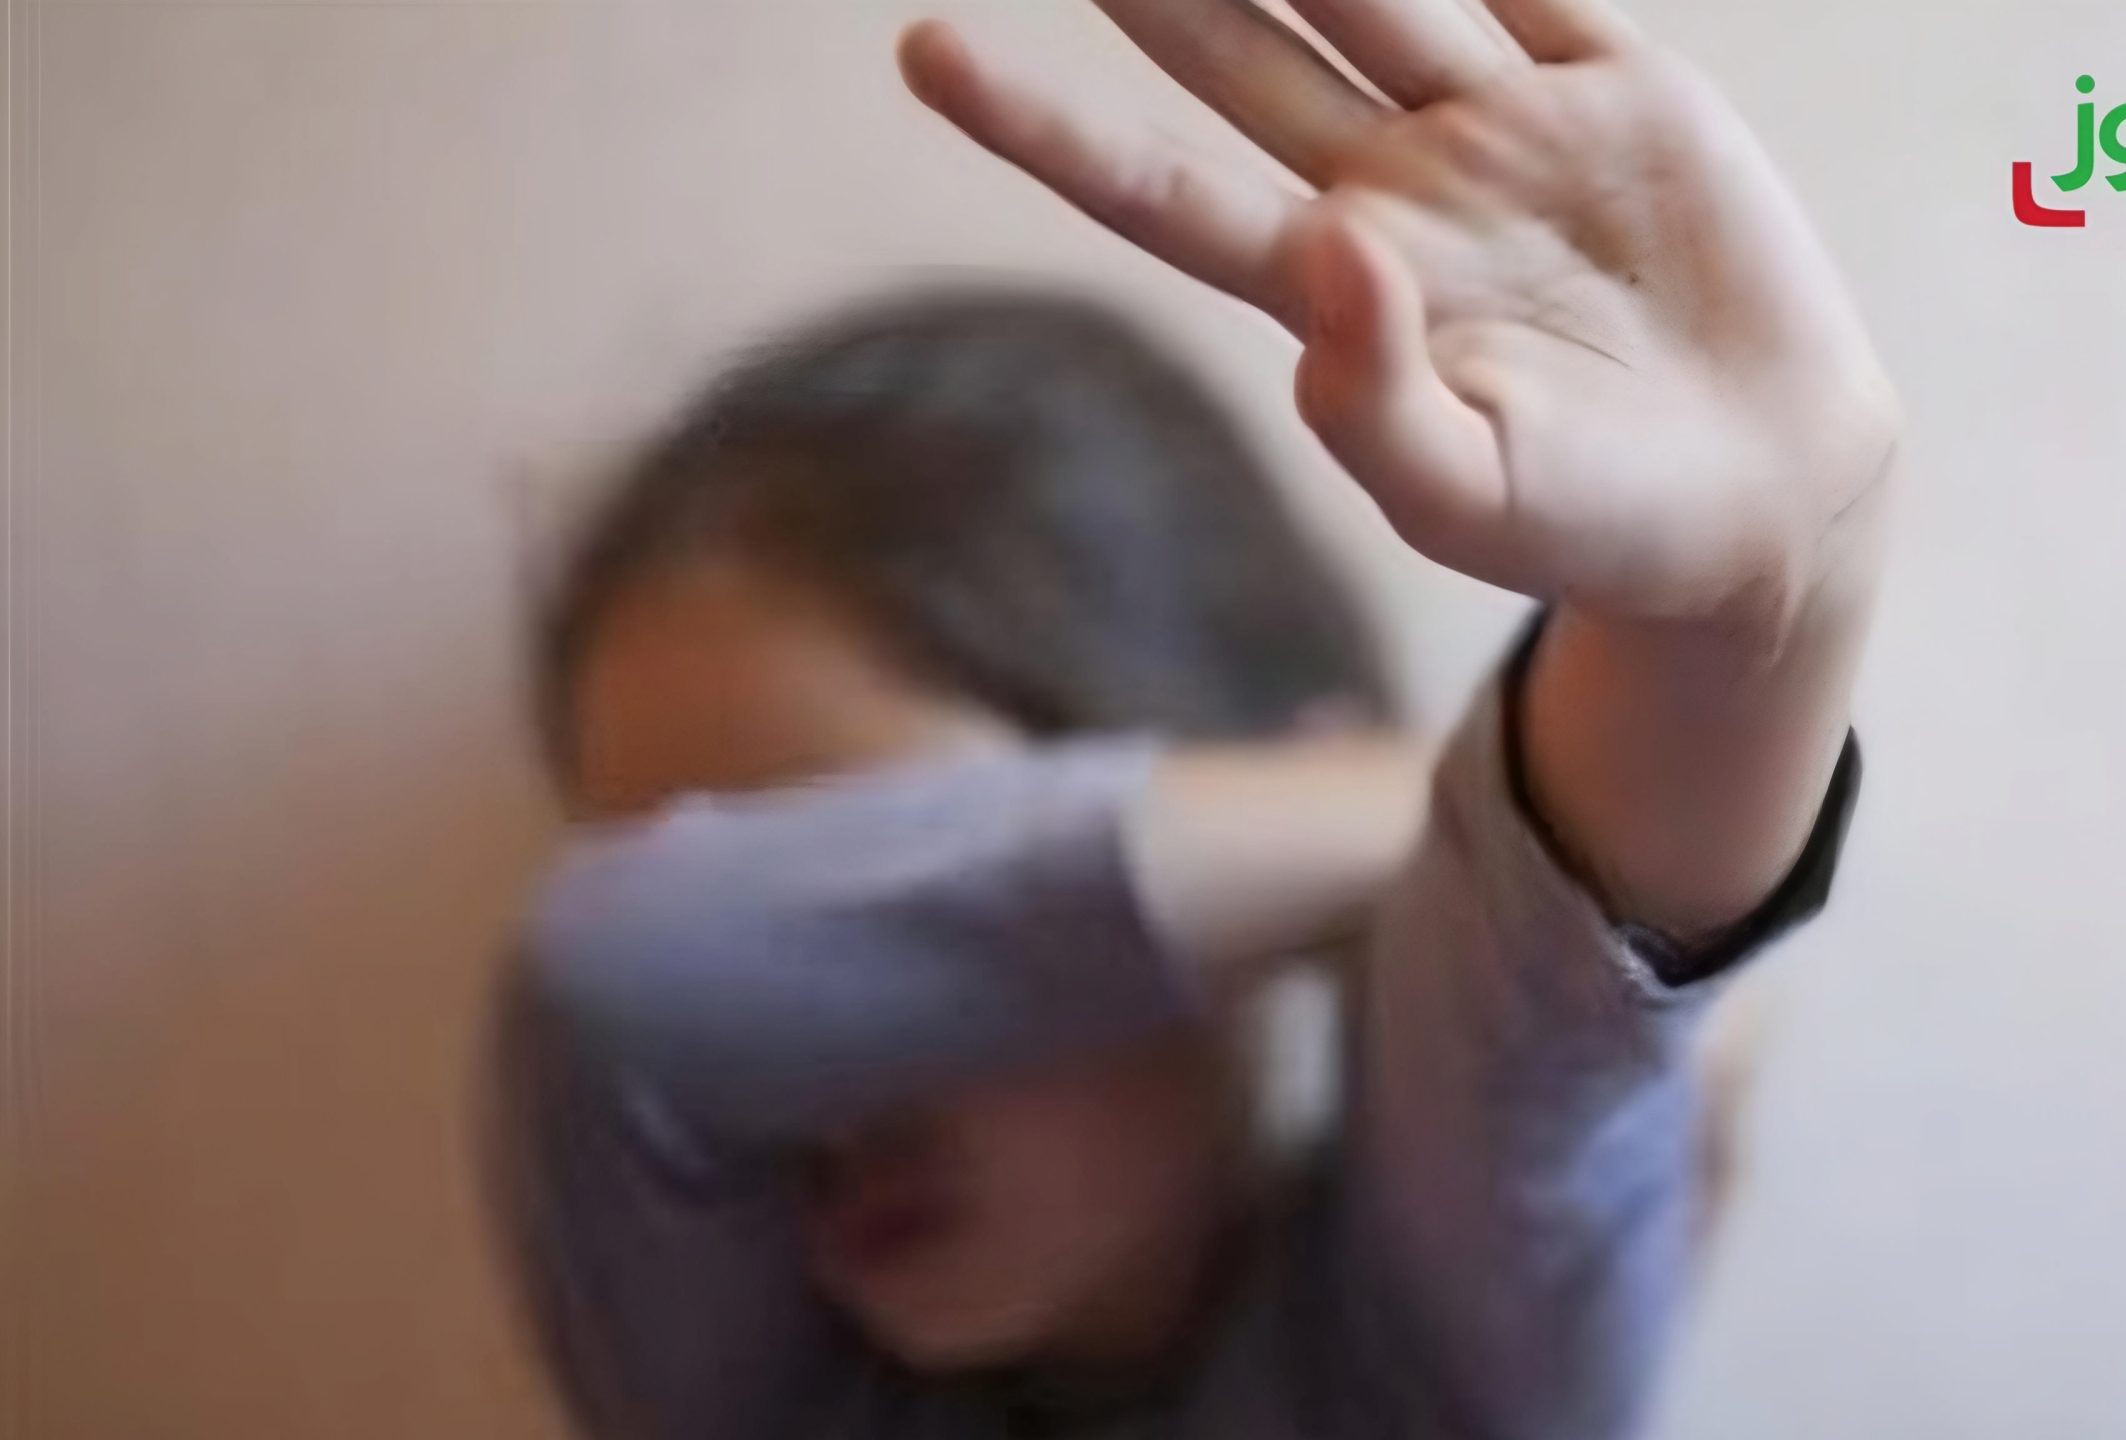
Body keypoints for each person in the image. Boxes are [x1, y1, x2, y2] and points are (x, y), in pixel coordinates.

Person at [489, 1, 1898, 1437]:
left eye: (893, 877)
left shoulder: (1432, 1352)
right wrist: (1410, 809)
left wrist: (1758, 601)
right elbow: (615, 1001)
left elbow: (1530, 1059)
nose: (807, 1093)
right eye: (777, 913)